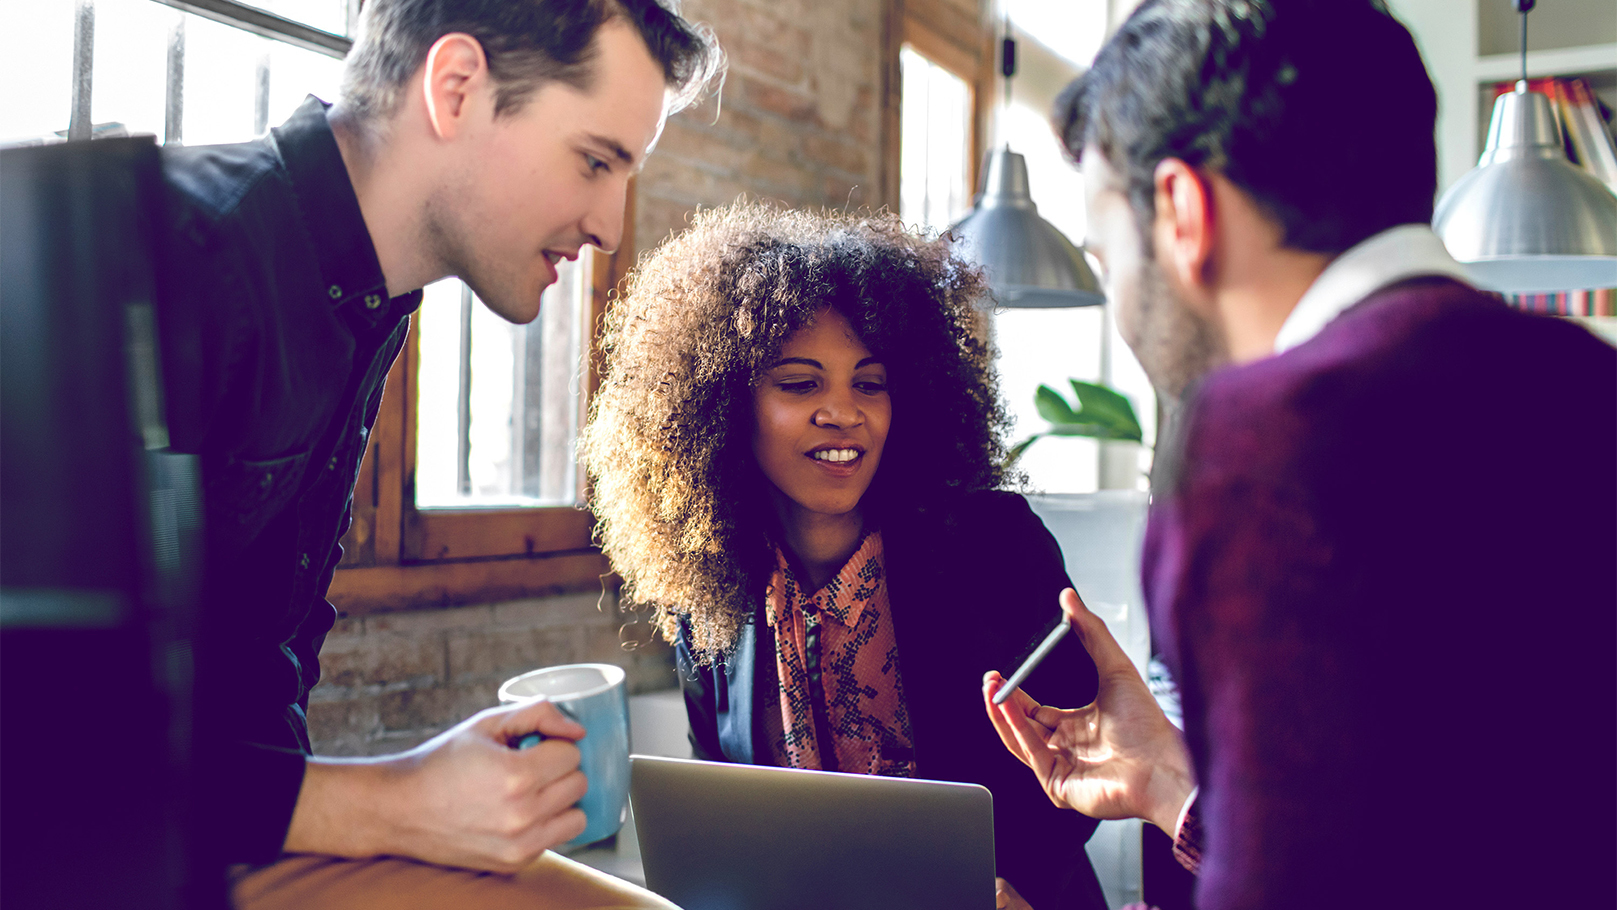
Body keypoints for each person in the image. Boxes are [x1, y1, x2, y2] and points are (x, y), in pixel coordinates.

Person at [982, 1, 1616, 908]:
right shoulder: (1589, 379)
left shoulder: (1261, 439)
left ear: (1181, 211)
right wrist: (1172, 787)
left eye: (1103, 249)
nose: (1117, 297)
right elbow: (1457, 835)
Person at [152, 1, 722, 906]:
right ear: (454, 89)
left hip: (223, 840)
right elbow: (51, 738)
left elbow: (258, 666)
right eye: (594, 160)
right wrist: (398, 804)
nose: (612, 226)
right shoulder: (183, 256)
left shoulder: (363, 302)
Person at [578, 202, 1110, 909]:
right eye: (799, 383)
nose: (843, 412)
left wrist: (1013, 886)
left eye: (869, 381)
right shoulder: (707, 596)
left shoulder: (994, 545)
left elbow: (1078, 773)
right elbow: (727, 815)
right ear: (724, 405)